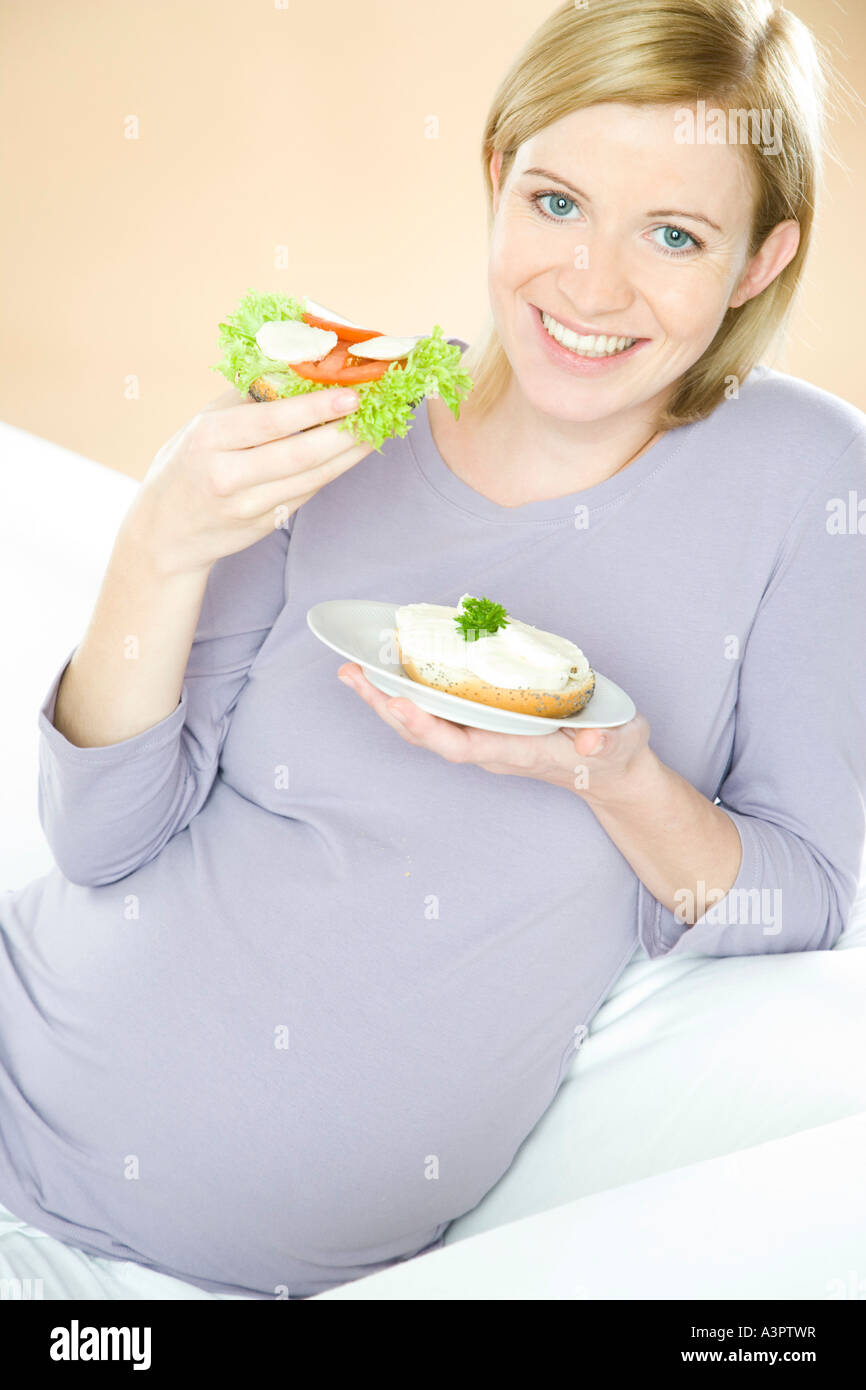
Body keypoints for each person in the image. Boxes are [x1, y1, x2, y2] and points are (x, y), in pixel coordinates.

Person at [1, 0, 864, 1301]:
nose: (588, 285)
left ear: (757, 260)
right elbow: (103, 837)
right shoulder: (353, 417)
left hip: (220, 1285)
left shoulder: (804, 478)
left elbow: (798, 893)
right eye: (556, 201)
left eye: (673, 233)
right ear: (494, 175)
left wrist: (613, 775)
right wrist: (160, 542)